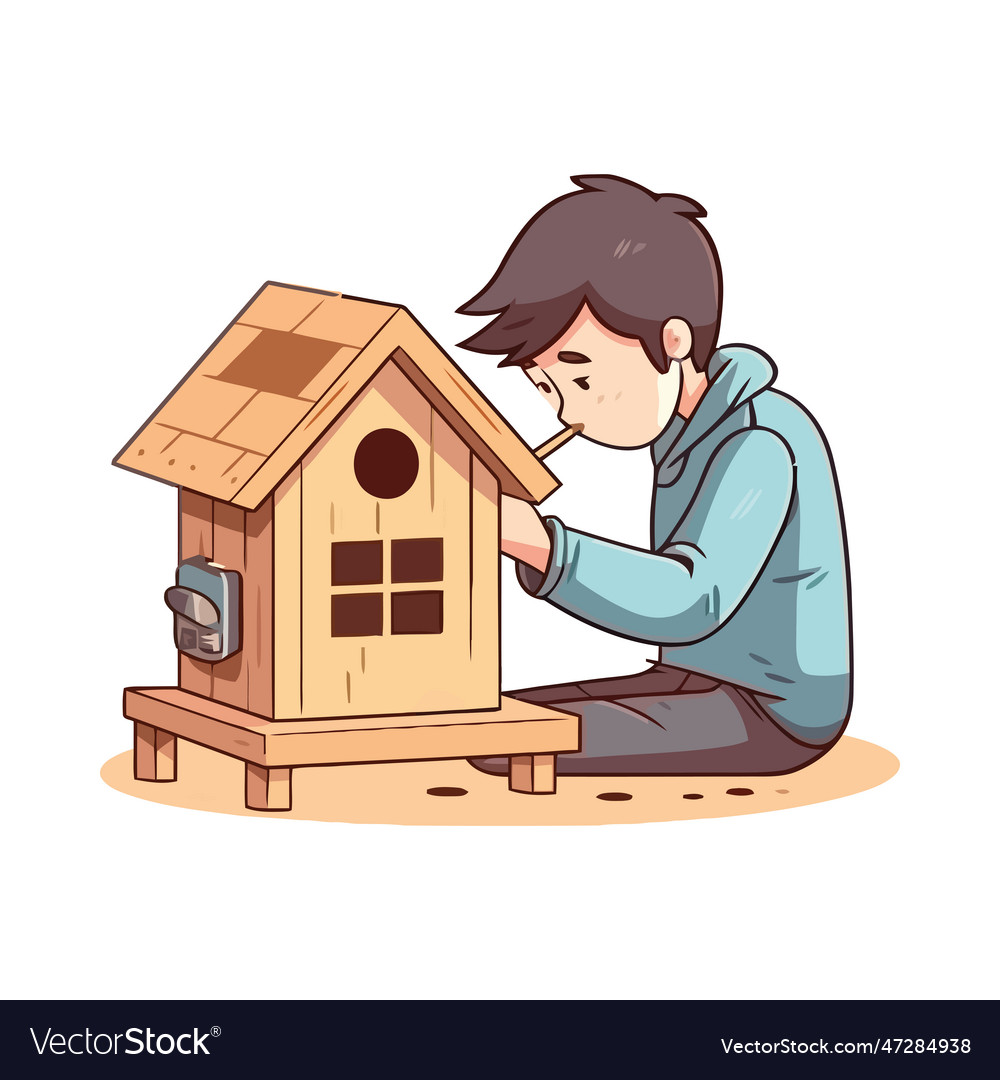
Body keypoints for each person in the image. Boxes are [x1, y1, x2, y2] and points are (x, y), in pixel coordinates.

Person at [457, 175, 851, 776]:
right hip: (695, 679)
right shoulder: (683, 428)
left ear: (673, 340)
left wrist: (541, 545)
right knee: (491, 721)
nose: (567, 411)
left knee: (504, 744)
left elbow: (693, 598)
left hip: (775, 710)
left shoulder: (759, 441)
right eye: (546, 388)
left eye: (581, 378)